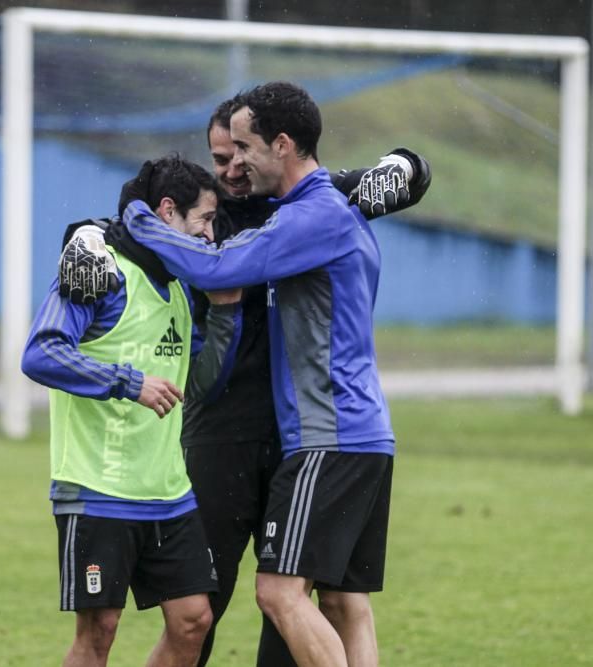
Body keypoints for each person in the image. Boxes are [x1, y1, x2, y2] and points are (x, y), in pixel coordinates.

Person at [59, 100, 430, 666]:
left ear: (271, 148)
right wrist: (83, 236)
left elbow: (398, 176)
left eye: (240, 154)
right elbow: (126, 230)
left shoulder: (297, 206)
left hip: (303, 435)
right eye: (219, 158)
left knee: (293, 596)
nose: (232, 169)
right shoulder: (210, 214)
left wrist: (407, 167)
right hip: (222, 433)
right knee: (199, 608)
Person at [21, 156, 243, 667]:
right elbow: (41, 353)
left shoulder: (182, 289)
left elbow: (201, 384)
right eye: (205, 220)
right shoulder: (99, 271)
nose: (210, 236)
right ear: (168, 211)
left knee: (194, 621)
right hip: (98, 488)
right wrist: (128, 383)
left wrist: (227, 312)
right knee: (99, 632)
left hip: (168, 491)